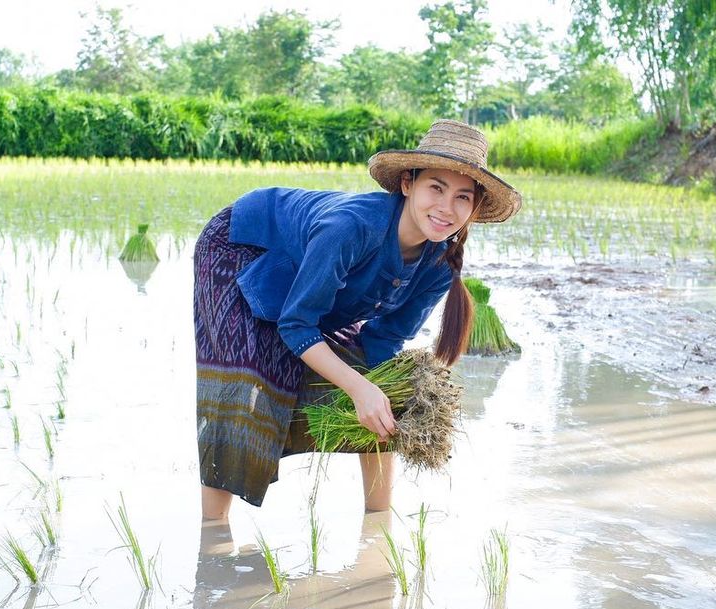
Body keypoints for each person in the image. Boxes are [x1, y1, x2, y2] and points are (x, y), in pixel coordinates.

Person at [193, 119, 522, 521]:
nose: (446, 208)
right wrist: (358, 389)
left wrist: (385, 394)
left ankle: (379, 523)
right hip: (243, 245)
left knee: (374, 382)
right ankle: (214, 537)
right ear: (407, 184)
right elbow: (297, 325)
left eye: (462, 197)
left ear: (473, 208)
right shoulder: (350, 228)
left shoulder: (440, 264)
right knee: (250, 378)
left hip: (308, 275)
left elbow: (384, 340)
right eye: (435, 187)